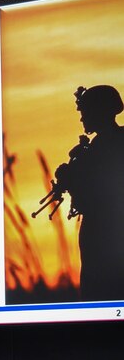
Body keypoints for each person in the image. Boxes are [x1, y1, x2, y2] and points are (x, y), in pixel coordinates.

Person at [55, 85, 124, 301]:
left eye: (85, 112)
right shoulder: (101, 145)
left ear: (99, 111)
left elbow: (99, 195)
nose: (82, 119)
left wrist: (71, 179)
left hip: (105, 233)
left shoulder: (108, 146)